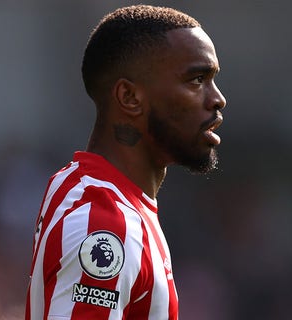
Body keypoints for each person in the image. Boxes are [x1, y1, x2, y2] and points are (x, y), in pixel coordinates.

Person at [26, 5, 226, 320]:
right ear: (130, 97)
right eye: (196, 79)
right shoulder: (104, 226)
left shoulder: (92, 190)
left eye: (212, 80)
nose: (217, 99)